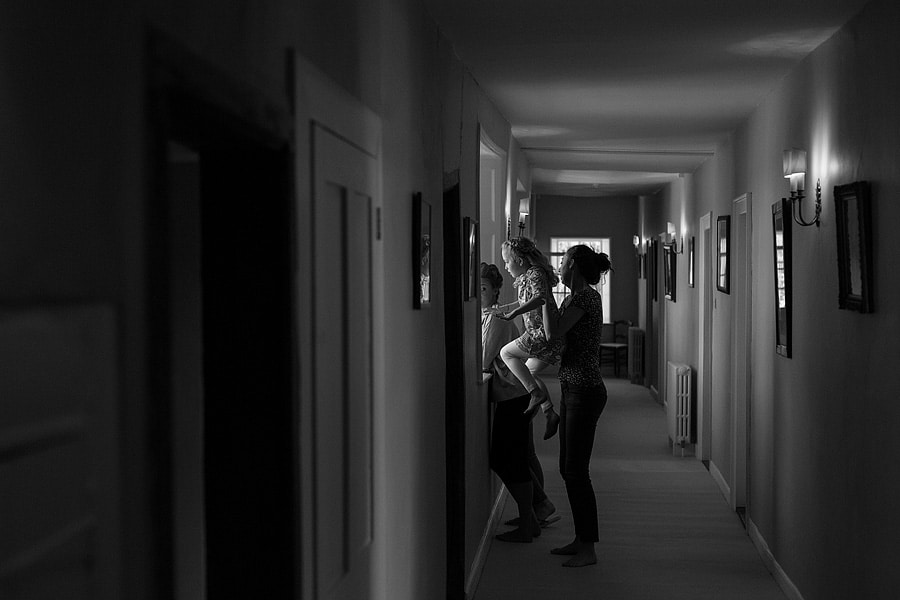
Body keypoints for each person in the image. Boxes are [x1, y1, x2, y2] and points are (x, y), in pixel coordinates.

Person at [541, 244, 612, 567]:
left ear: (576, 266)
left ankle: (589, 548)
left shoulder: (585, 298)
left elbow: (554, 330)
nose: (560, 263)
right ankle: (580, 538)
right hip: (572, 386)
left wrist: (542, 296)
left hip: (585, 390)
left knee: (576, 471)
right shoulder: (573, 297)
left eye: (564, 259)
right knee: (567, 469)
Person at [481, 263, 558, 542]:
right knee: (520, 456)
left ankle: (530, 519)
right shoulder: (488, 316)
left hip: (513, 395)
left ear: (496, 291)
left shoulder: (496, 320)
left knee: (506, 459)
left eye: (484, 288)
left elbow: (483, 358)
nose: (480, 294)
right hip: (515, 394)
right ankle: (538, 509)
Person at [493, 237, 562, 440]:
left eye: (507, 262)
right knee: (528, 371)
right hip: (539, 334)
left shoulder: (535, 274)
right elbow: (527, 297)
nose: (505, 267)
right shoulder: (529, 276)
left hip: (540, 334)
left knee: (506, 353)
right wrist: (506, 308)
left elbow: (539, 298)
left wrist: (513, 314)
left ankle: (536, 394)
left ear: (519, 261)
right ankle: (549, 412)